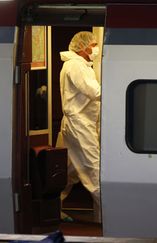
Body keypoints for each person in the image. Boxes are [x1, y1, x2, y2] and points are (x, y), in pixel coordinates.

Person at [57, 31, 101, 223]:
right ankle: (109, 215)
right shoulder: (76, 65)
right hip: (79, 125)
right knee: (94, 168)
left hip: (78, 123)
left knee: (68, 171)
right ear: (83, 48)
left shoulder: (79, 65)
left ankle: (52, 208)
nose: (96, 49)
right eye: (93, 45)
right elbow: (94, 91)